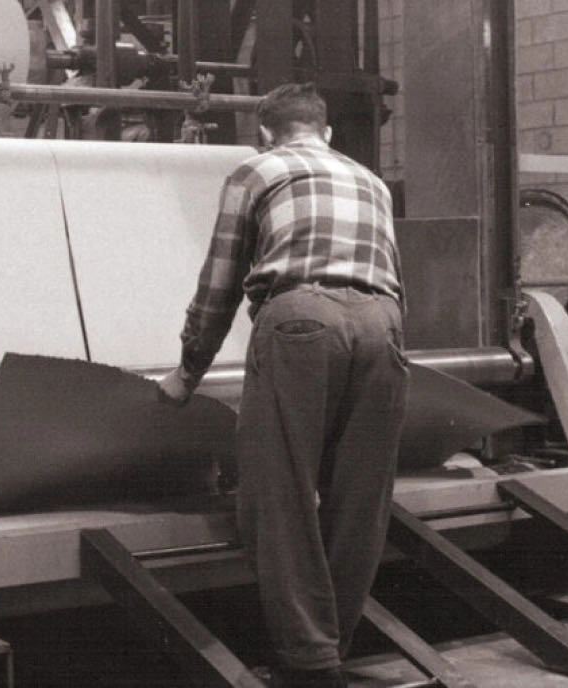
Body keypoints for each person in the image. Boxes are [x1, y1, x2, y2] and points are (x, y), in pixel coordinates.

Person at [158, 83, 409, 688]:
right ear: (326, 132)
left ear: (266, 133)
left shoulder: (256, 171)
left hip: (301, 319)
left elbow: (220, 277)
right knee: (361, 499)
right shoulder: (371, 180)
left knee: (280, 493)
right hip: (384, 325)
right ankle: (328, 650)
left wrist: (188, 371)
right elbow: (395, 276)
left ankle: (308, 661)